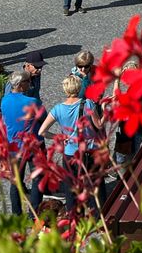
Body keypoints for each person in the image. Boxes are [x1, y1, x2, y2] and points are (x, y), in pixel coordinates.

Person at [37, 74, 101, 214]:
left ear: (65, 90)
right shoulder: (88, 104)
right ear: (79, 88)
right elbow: (99, 125)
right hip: (88, 150)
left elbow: (42, 132)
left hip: (70, 152)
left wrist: (58, 136)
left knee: (71, 187)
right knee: (91, 184)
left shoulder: (58, 109)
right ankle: (95, 216)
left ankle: (73, 216)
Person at [0, 70, 43, 216]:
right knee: (38, 179)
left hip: (13, 146)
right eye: (27, 81)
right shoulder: (32, 102)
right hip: (32, 145)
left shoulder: (4, 100)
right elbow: (45, 118)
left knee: (16, 181)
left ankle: (16, 214)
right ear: (19, 84)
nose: (30, 84)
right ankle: (34, 213)